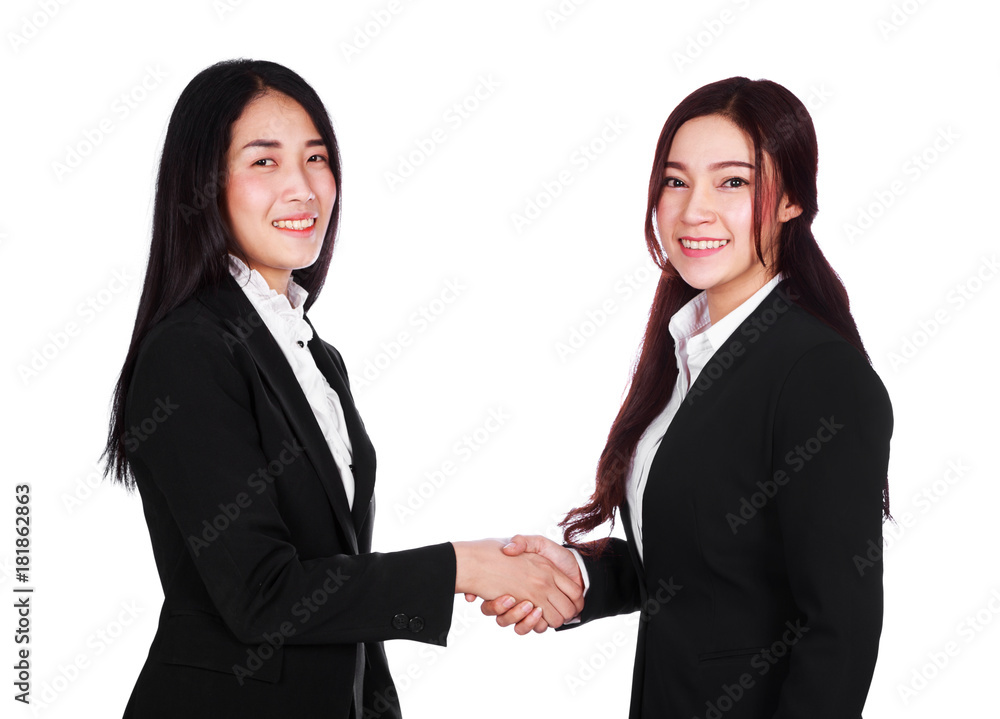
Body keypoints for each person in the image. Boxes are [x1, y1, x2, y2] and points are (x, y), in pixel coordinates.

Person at [102, 59, 582, 719]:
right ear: (203, 184)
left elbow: (337, 574)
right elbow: (262, 593)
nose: (302, 188)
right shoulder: (189, 351)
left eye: (317, 158)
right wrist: (462, 567)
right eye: (264, 162)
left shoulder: (312, 354)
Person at [480, 77, 893, 718]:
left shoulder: (819, 376)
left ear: (791, 202)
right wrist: (576, 577)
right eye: (676, 181)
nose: (693, 210)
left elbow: (840, 634)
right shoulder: (688, 350)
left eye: (733, 182)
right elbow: (708, 566)